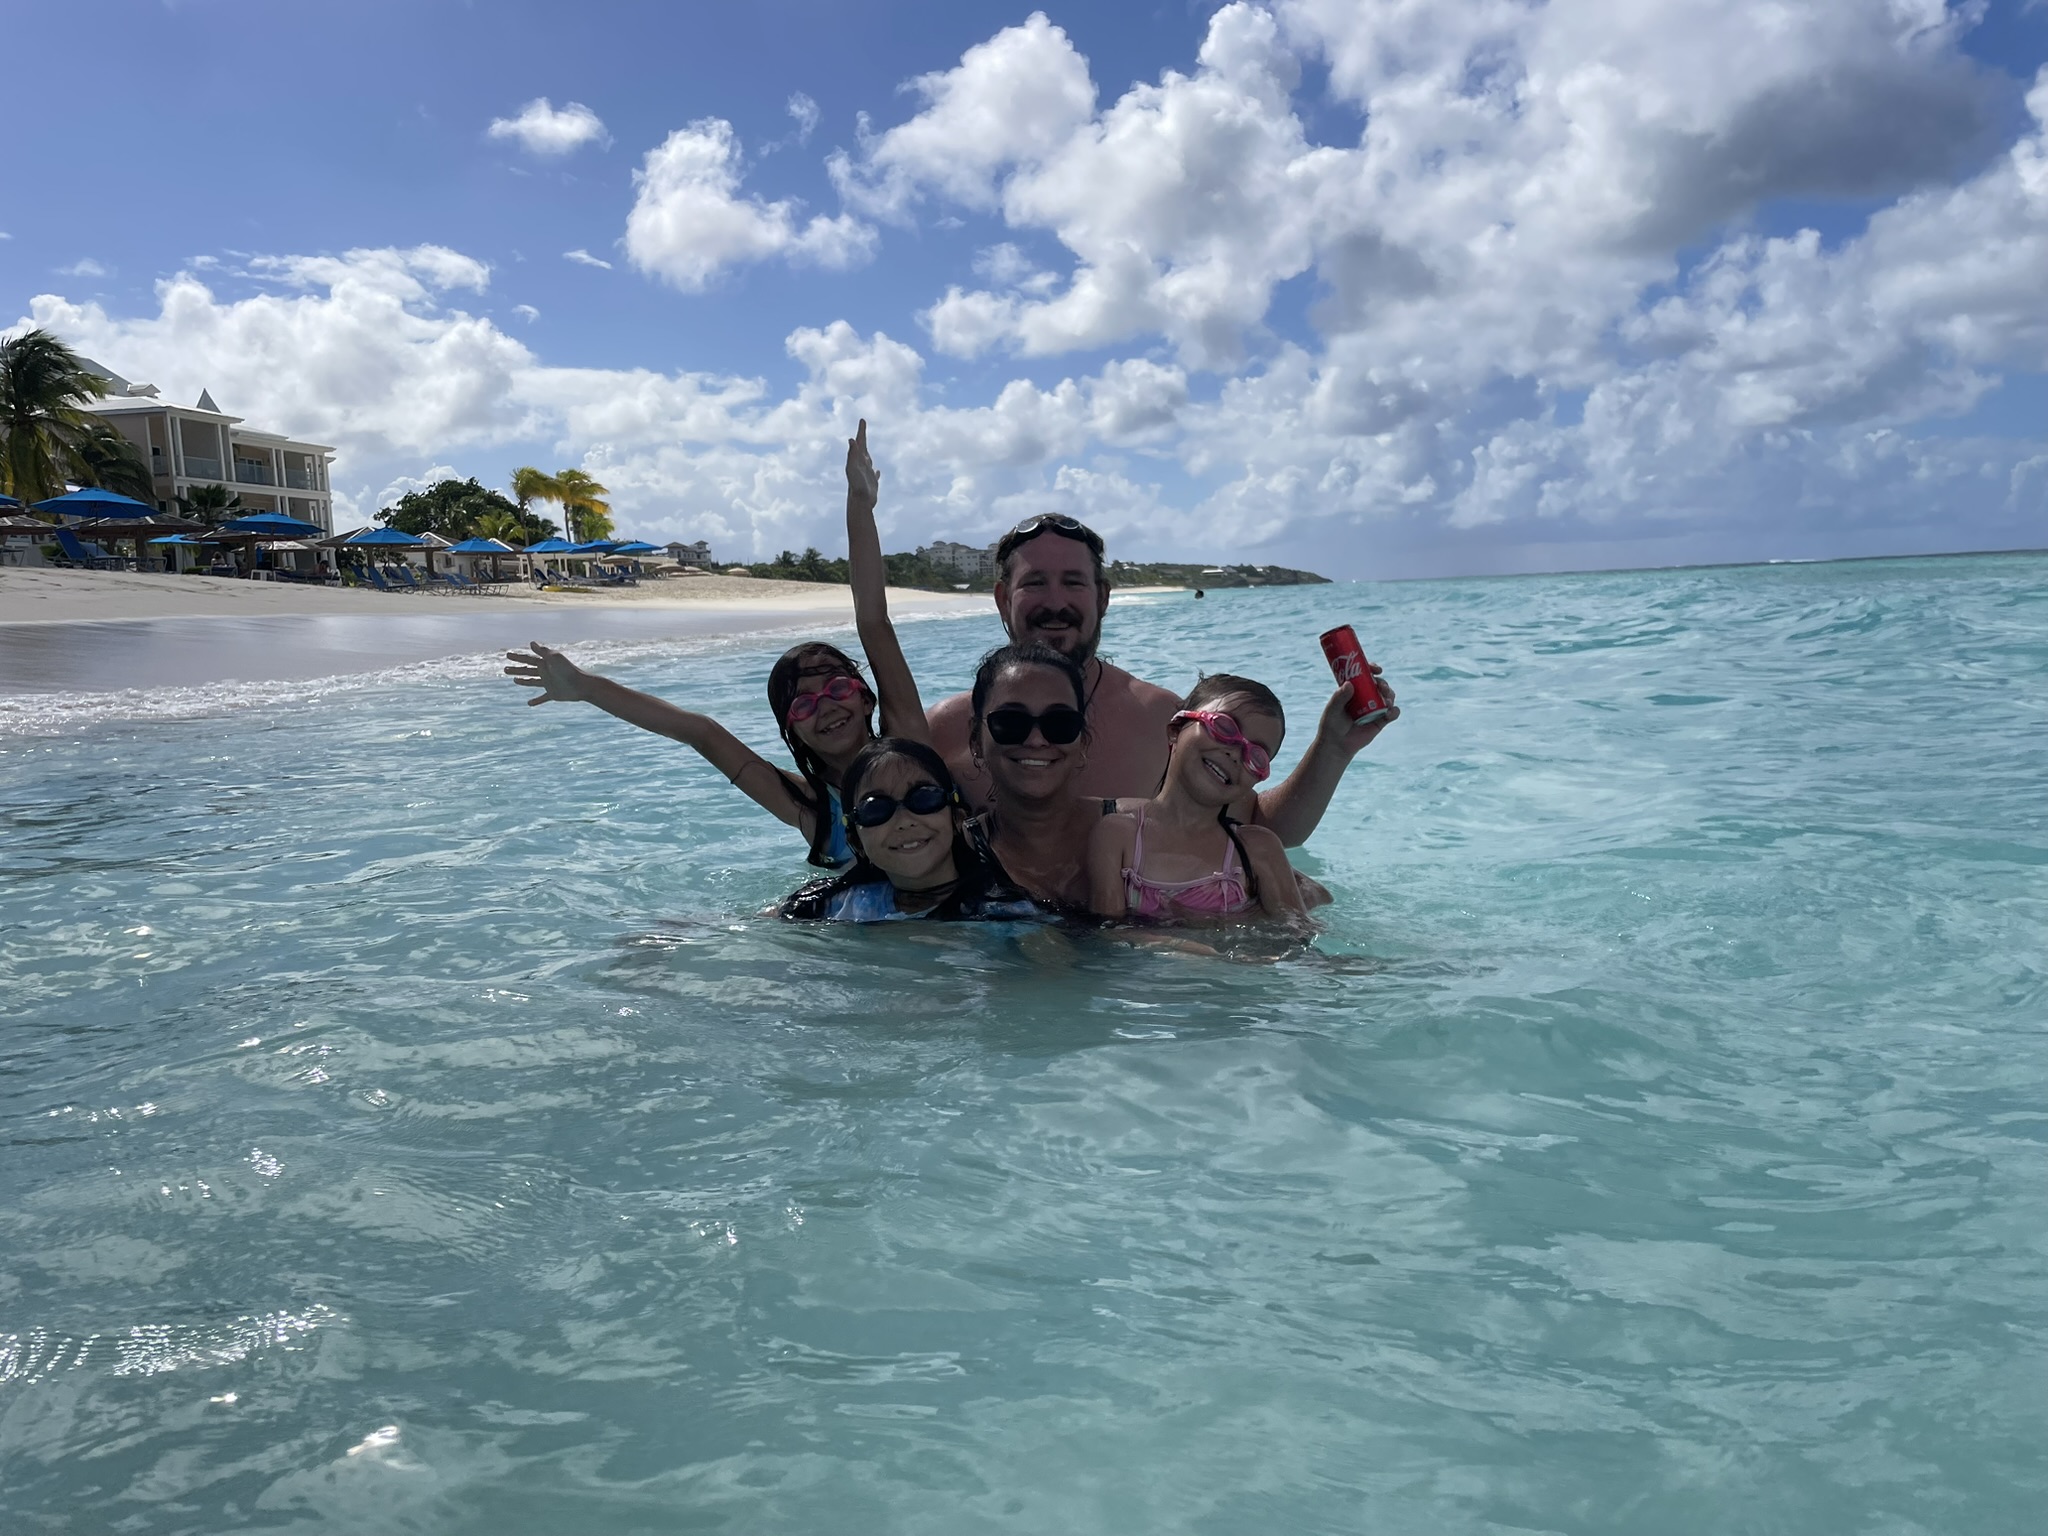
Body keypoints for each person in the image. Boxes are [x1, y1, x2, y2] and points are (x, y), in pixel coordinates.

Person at [505, 422, 922, 867]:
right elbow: (699, 732)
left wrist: (860, 505)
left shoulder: (912, 750)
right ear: (791, 729)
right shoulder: (809, 808)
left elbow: (873, 623)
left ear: (864, 698)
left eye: (837, 689)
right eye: (803, 705)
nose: (826, 708)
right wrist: (588, 688)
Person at [925, 513, 1399, 846]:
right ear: (1003, 597)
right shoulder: (945, 729)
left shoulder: (1157, 717)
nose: (1056, 601)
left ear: (1103, 598)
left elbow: (1257, 827)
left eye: (1073, 582)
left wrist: (1333, 748)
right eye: (1035, 583)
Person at [1088, 674, 1308, 925]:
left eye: (1255, 755)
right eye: (1223, 727)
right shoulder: (1118, 836)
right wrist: (1191, 948)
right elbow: (1109, 934)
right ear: (1175, 729)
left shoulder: (1258, 850)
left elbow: (1299, 938)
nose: (1235, 753)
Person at [781, 739, 1043, 922]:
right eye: (876, 808)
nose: (904, 820)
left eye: (924, 798)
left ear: (957, 819)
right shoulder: (828, 905)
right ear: (856, 841)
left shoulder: (1007, 915)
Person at [960, 641, 1104, 910]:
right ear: (976, 741)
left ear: (1082, 741)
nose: (1036, 740)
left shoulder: (1139, 832)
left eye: (1059, 722)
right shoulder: (952, 854)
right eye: (1010, 721)